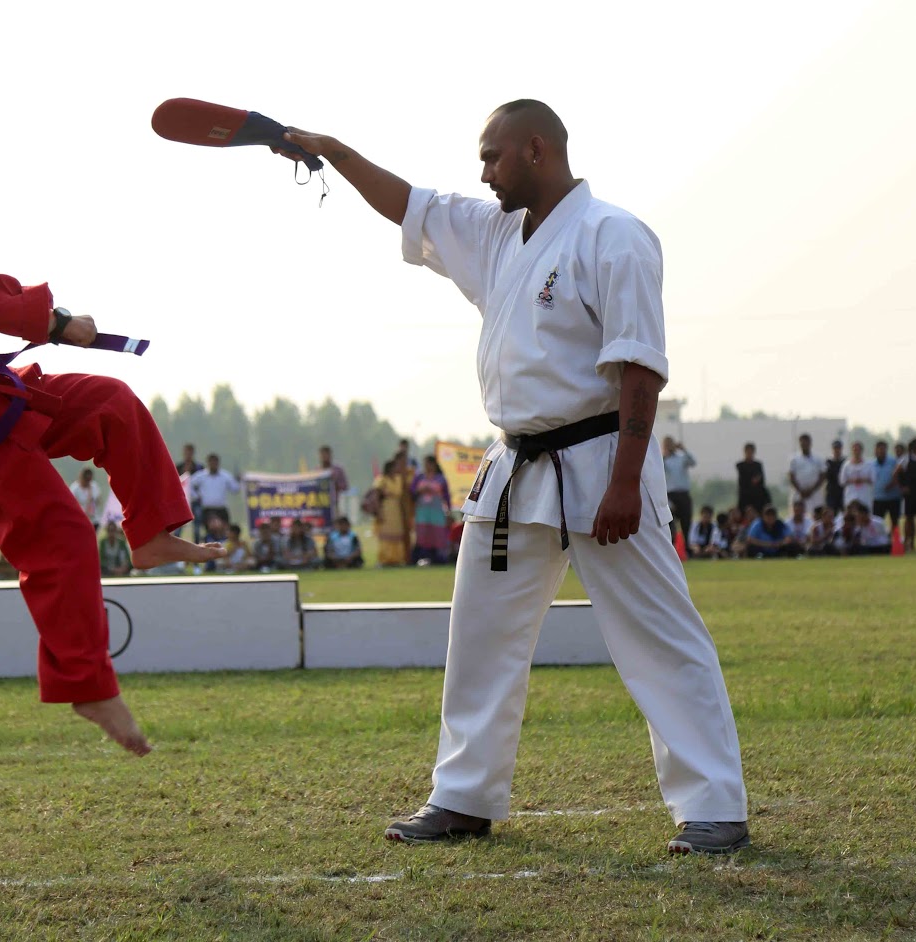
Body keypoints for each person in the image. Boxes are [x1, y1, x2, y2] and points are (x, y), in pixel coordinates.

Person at [279, 99, 747, 854]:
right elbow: (412, 205)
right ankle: (463, 795)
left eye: (493, 157)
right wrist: (333, 150)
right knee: (480, 633)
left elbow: (638, 369)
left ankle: (714, 806)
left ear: (537, 149)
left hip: (603, 461)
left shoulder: (613, 236)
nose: (484, 173)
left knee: (657, 635)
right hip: (517, 463)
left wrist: (626, 483)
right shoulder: (498, 234)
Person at [0, 132, 221, 755]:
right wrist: (57, 324)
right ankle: (88, 684)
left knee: (109, 403)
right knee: (59, 534)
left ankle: (151, 533)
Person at [370, 454, 414, 567]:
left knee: (397, 534)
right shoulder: (381, 479)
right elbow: (375, 495)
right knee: (386, 534)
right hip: (386, 508)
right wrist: (378, 512)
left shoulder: (399, 479)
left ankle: (397, 559)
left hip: (397, 509)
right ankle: (384, 559)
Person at [411, 455, 452, 564]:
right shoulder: (420, 477)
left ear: (434, 464)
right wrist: (421, 490)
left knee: (437, 533)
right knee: (423, 533)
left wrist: (448, 511)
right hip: (422, 511)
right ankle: (423, 557)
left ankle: (439, 558)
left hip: (436, 511)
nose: (427, 466)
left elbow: (446, 496)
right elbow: (412, 491)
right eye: (425, 464)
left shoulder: (441, 478)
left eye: (429, 464)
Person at [188, 453, 240, 533]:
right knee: (212, 530)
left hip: (221, 508)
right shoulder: (201, 476)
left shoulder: (225, 476)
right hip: (208, 509)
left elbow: (235, 489)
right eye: (211, 462)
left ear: (218, 463)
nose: (213, 464)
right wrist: (196, 496)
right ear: (208, 463)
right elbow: (189, 485)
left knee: (225, 531)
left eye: (215, 462)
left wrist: (238, 480)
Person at [661, 437, 695, 540]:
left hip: (683, 494)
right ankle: (672, 544)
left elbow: (693, 462)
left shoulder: (681, 457)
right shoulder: (663, 460)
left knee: (686, 520)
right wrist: (664, 455)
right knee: (670, 522)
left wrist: (684, 449)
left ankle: (687, 545)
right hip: (670, 495)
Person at [787, 434, 827, 516]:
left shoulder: (818, 458)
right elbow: (791, 476)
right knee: (798, 515)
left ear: (810, 443)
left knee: (817, 515)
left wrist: (811, 490)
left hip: (815, 493)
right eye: (802, 443)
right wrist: (801, 490)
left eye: (806, 443)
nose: (804, 445)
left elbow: (823, 476)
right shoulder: (794, 459)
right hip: (799, 493)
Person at [869, 440, 901, 533]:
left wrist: (893, 484)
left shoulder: (893, 462)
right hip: (878, 498)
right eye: (878, 449)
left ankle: (894, 542)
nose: (880, 452)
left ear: (886, 450)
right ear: (875, 450)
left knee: (894, 522)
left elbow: (899, 477)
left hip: (893, 497)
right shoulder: (871, 464)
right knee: (877, 522)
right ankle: (879, 541)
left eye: (882, 449)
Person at [838, 441, 875, 514]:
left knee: (865, 514)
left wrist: (863, 480)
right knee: (850, 515)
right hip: (851, 495)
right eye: (854, 450)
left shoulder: (869, 464)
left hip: (864, 495)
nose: (856, 452)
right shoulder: (846, 465)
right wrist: (852, 480)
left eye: (858, 450)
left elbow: (873, 480)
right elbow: (842, 481)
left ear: (861, 451)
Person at [736, 443, 767, 517]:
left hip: (757, 496)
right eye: (747, 452)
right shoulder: (740, 465)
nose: (749, 454)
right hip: (745, 496)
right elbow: (744, 481)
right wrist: (753, 480)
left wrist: (756, 480)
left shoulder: (758, 465)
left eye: (751, 452)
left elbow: (761, 480)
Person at [319, 445, 350, 517]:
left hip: (334, 503)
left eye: (326, 454)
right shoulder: (317, 471)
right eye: (322, 455)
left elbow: (345, 486)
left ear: (330, 455)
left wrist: (335, 484)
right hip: (320, 505)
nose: (324, 457)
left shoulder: (337, 470)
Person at [822, 440, 847, 513]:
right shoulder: (828, 462)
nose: (837, 450)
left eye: (838, 448)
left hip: (842, 491)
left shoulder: (845, 462)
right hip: (831, 492)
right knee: (831, 512)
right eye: (835, 448)